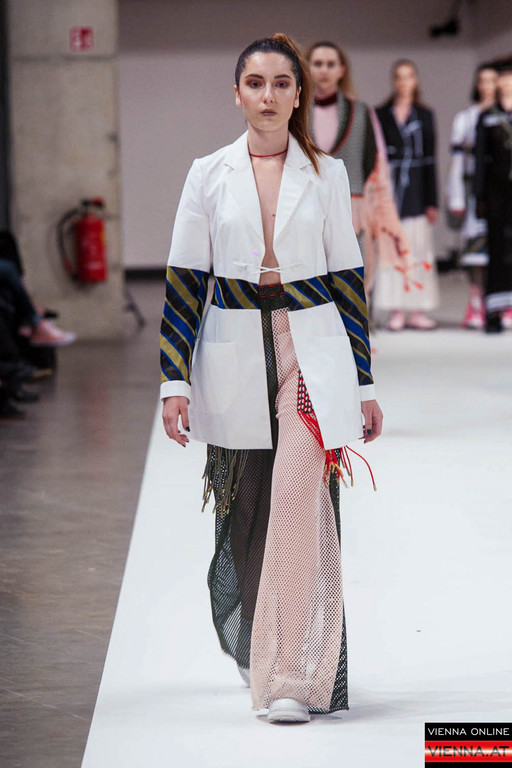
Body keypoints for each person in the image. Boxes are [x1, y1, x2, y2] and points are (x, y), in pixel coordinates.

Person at [159, 33, 383, 724]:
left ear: (299, 94)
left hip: (309, 349)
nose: (268, 95)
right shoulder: (207, 173)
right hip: (232, 348)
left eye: (281, 83)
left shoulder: (328, 173)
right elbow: (184, 280)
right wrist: (173, 381)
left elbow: (348, 278)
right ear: (237, 94)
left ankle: (291, 675)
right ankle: (258, 641)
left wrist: (365, 385)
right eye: (254, 83)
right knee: (248, 509)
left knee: (296, 503)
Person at [306, 42, 410, 305]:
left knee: (353, 280)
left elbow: (374, 164)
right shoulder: (296, 113)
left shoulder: (361, 112)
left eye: (330, 64)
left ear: (341, 70)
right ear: (307, 67)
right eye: (317, 63)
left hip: (352, 208)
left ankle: (356, 328)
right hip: (307, 204)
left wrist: (376, 210)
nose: (324, 70)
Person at [374, 59, 440, 331]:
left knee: (418, 246)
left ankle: (417, 309)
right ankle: (396, 309)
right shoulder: (381, 114)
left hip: (417, 189)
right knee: (392, 248)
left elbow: (430, 160)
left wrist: (432, 201)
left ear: (416, 80)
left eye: (409, 76)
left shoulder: (424, 115)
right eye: (399, 77)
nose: (404, 82)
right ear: (393, 81)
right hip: (390, 187)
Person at [446, 62, 498, 329]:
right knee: (476, 250)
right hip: (475, 191)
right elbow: (457, 161)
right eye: (483, 81)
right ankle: (476, 303)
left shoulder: (505, 116)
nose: (488, 86)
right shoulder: (466, 118)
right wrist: (456, 195)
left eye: (493, 80)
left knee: (502, 249)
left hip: (501, 190)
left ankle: (500, 304)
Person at [474, 56, 512, 334]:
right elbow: (479, 160)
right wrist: (479, 196)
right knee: (497, 250)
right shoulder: (487, 116)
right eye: (504, 77)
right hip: (496, 192)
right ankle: (494, 312)